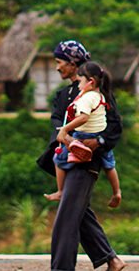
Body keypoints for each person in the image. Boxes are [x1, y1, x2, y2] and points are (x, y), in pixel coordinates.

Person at [39, 40, 125, 271]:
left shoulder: (97, 94)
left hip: (88, 161)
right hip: (68, 159)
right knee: (78, 212)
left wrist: (98, 142)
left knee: (66, 217)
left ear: (73, 64)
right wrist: (66, 140)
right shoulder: (63, 95)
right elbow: (57, 124)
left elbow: (114, 126)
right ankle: (111, 259)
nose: (57, 67)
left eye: (60, 62)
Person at [45, 61, 122, 209]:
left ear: (90, 82)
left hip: (83, 136)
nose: (78, 85)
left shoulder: (86, 98)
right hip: (99, 135)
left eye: (80, 81)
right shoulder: (101, 95)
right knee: (109, 165)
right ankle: (116, 192)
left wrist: (65, 129)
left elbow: (83, 118)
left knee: (58, 158)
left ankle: (60, 191)